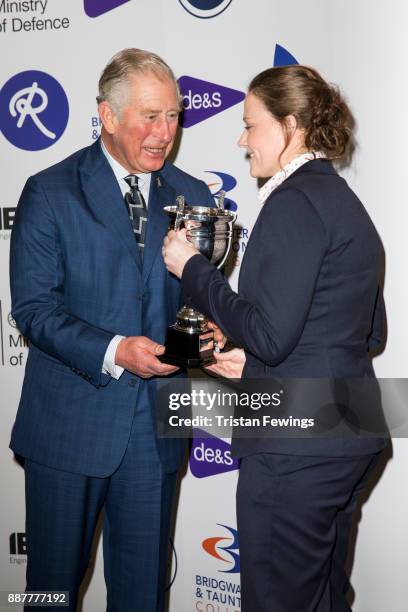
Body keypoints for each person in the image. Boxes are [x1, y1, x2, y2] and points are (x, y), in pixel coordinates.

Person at [162, 65, 388, 611]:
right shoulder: (343, 202)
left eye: (251, 125)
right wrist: (256, 367)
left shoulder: (291, 203)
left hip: (296, 450)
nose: (242, 140)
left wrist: (194, 267)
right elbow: (366, 331)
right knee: (325, 597)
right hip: (349, 432)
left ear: (291, 125)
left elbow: (271, 334)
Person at [9, 48, 213, 612]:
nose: (164, 132)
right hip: (67, 430)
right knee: (50, 594)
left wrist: (208, 334)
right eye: (150, 116)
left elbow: (195, 303)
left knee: (143, 596)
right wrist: (114, 350)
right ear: (107, 114)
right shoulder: (50, 192)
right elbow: (33, 310)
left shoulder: (192, 196)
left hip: (155, 433)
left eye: (173, 116)